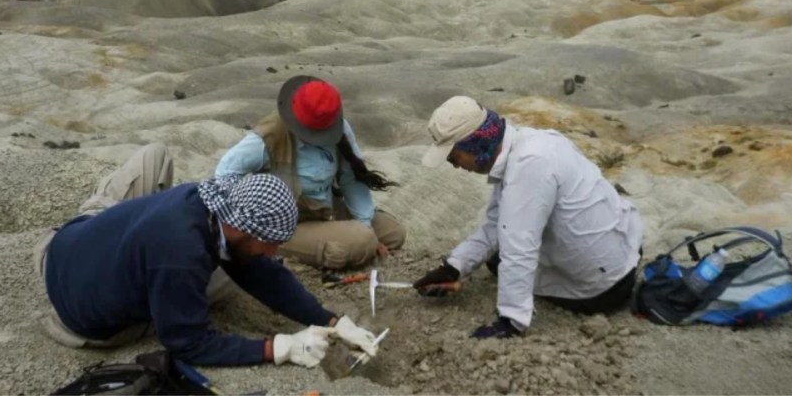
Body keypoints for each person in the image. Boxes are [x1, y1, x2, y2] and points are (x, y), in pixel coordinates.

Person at [33, 143, 378, 368]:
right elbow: (189, 343)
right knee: (226, 278)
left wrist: (330, 320)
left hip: (64, 245)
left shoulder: (206, 201)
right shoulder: (181, 257)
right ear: (247, 230)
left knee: (153, 161)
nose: (274, 252)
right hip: (80, 321)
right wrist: (280, 348)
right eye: (271, 242)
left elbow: (260, 269)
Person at [413, 96, 643, 339]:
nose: (455, 166)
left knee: (501, 262)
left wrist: (510, 321)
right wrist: (454, 267)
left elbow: (518, 246)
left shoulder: (529, 167)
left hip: (605, 287)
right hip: (625, 249)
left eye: (452, 157)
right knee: (498, 256)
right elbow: (496, 225)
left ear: (473, 144)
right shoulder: (533, 142)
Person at [215, 75, 406, 270]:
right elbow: (225, 173)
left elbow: (351, 180)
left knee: (393, 233)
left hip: (326, 208)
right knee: (362, 241)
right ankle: (280, 249)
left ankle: (350, 238)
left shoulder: (340, 128)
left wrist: (365, 223)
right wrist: (249, 226)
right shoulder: (270, 137)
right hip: (289, 224)